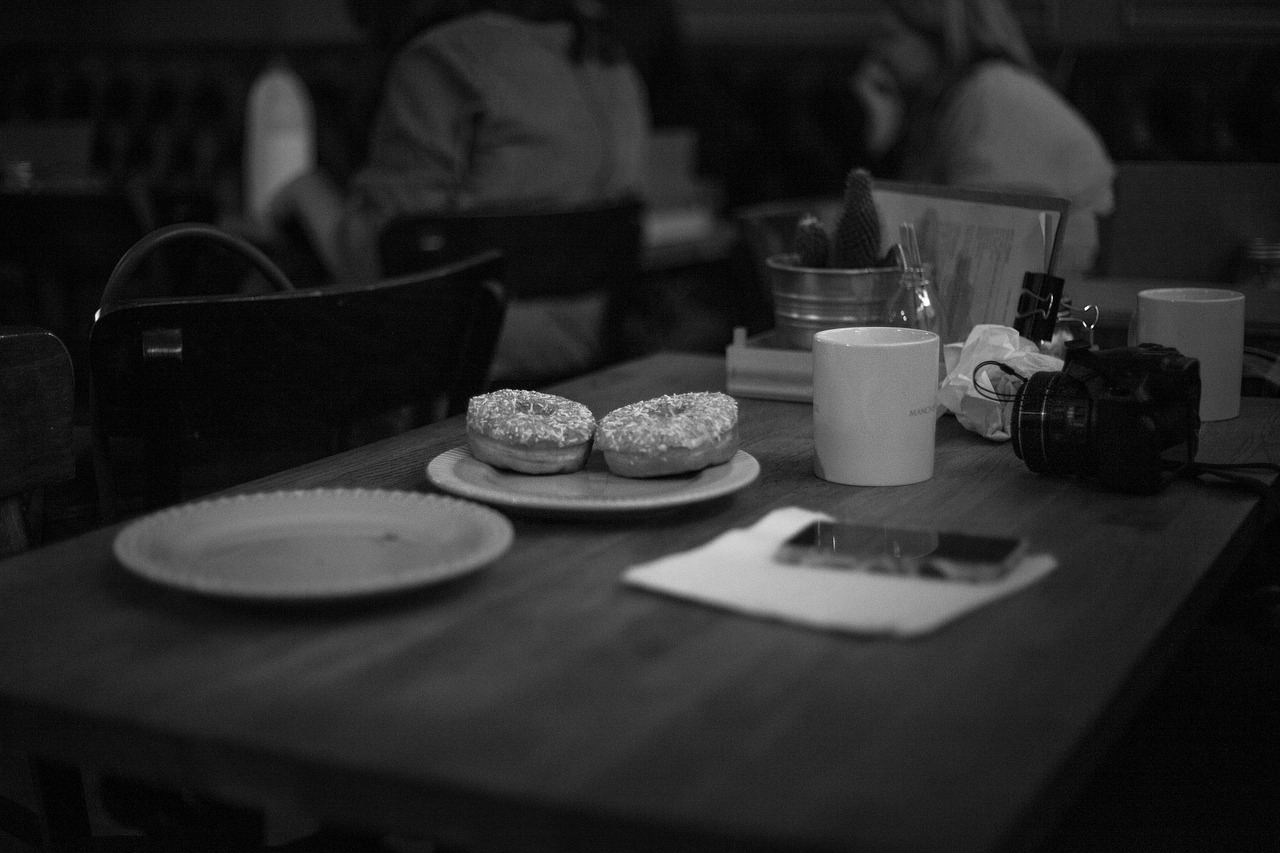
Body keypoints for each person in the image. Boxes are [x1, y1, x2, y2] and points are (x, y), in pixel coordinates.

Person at [267, 0, 652, 384]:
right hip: (595, 354)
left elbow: (375, 263)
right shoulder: (610, 62)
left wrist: (302, 188)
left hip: (469, 358)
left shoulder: (443, 58)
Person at [851, 0, 1115, 285]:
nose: (877, 54)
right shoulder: (961, 100)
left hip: (1081, 296)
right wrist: (882, 139)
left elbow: (975, 252)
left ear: (938, 37)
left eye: (889, 37)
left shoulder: (990, 98)